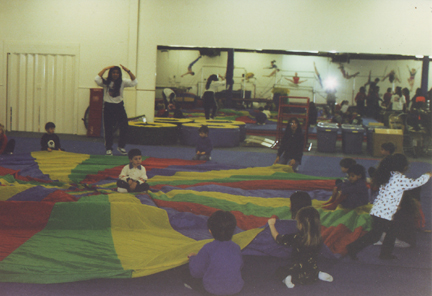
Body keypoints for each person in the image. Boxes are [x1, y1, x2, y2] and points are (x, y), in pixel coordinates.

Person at [346, 154, 432, 260]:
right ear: (403, 167)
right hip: (384, 214)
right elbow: (416, 183)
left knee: (386, 232)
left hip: (379, 211)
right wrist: (427, 175)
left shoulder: (388, 175)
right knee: (377, 235)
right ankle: (354, 248)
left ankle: (381, 253)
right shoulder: (399, 178)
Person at [268, 207, 333, 288]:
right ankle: (318, 274)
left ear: (301, 224)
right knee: (311, 265)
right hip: (312, 275)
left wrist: (271, 225)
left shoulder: (296, 237)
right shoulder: (318, 237)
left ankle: (287, 278)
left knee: (280, 270)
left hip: (297, 274)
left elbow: (278, 238)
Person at [185, 210, 244, 295]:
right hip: (236, 289)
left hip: (213, 291)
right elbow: (240, 265)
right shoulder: (236, 247)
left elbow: (196, 272)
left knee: (185, 273)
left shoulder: (208, 248)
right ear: (233, 230)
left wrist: (192, 258)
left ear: (210, 231)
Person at [95, 64, 137, 156]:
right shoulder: (106, 81)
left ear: (119, 74)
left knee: (124, 126)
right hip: (108, 106)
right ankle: (109, 148)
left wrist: (128, 70)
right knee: (108, 128)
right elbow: (97, 79)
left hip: (119, 106)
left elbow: (134, 82)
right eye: (113, 72)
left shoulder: (123, 82)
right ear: (111, 73)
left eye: (117, 73)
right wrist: (105, 68)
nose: (115, 74)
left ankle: (121, 146)